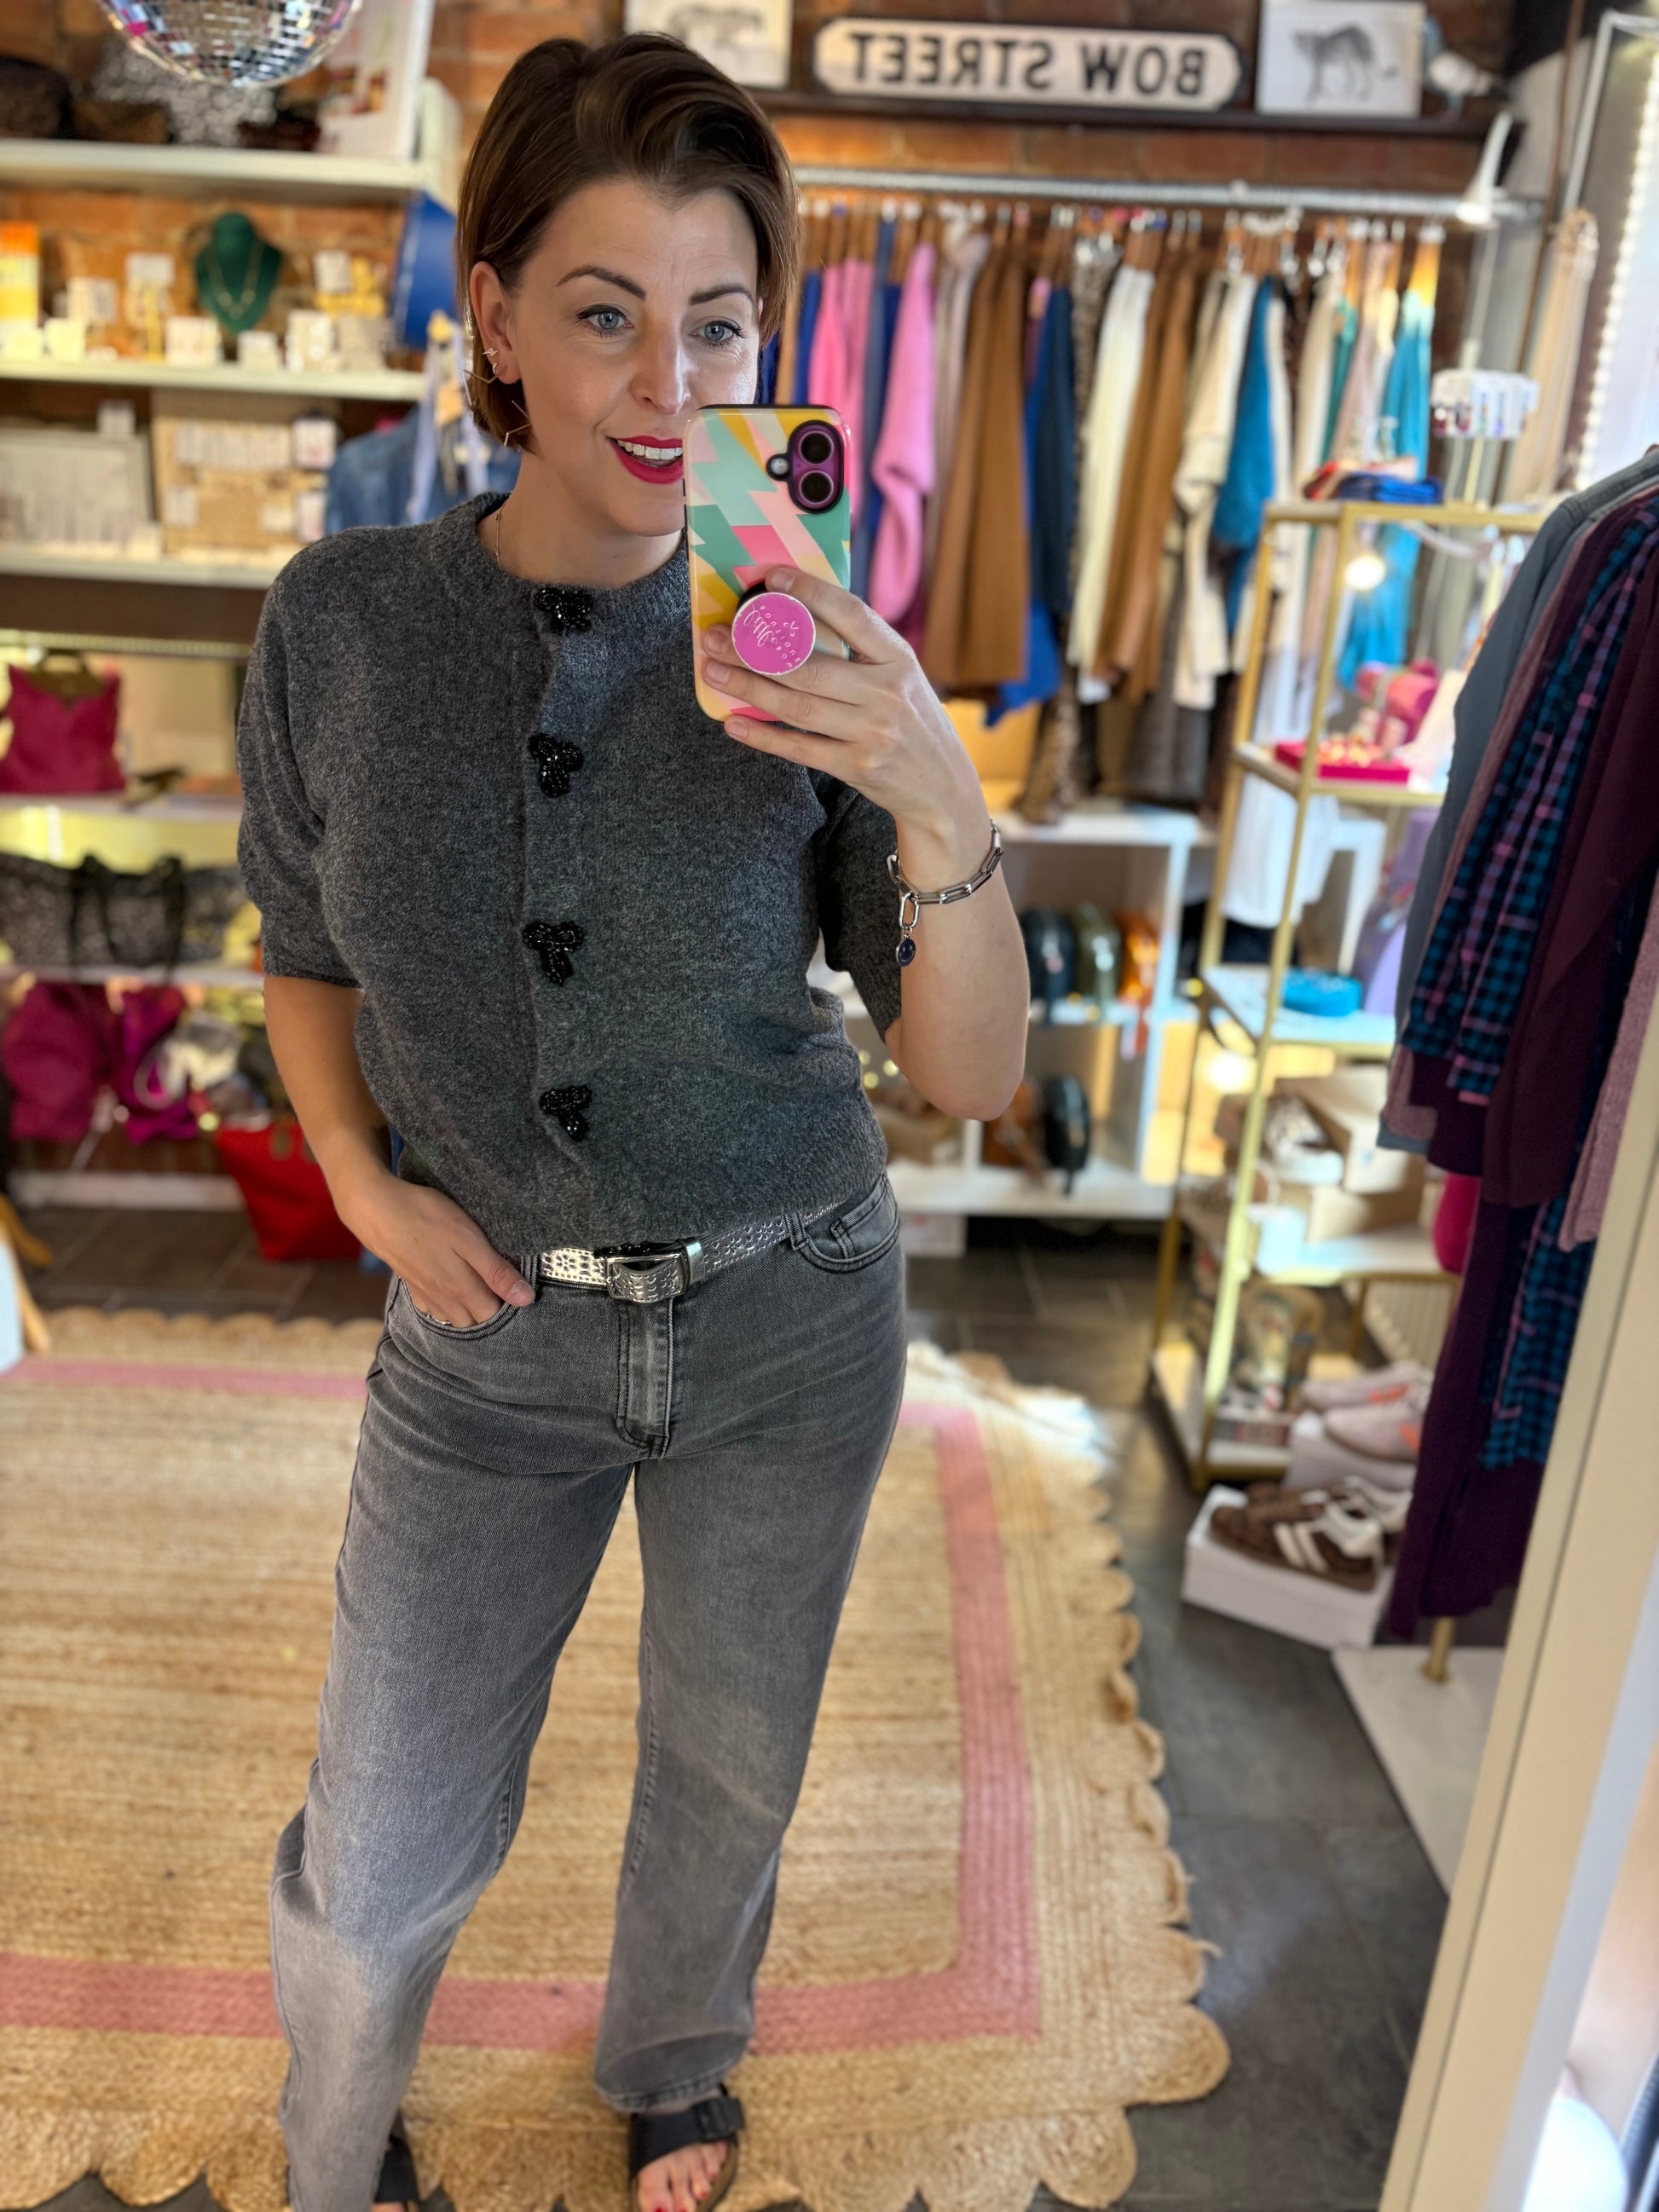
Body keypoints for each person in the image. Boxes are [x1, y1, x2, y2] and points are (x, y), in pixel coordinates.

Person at [239, 34, 1027, 2212]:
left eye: (720, 321)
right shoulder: (344, 626)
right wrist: (365, 1183)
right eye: (602, 311)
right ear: (485, 312)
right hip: (484, 1339)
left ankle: (678, 2065)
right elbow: (303, 945)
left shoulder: (812, 644)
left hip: (790, 1314)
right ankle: (334, 2143)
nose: (665, 383)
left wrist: (933, 786)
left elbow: (969, 1070)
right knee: (384, 1829)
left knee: (725, 1764)